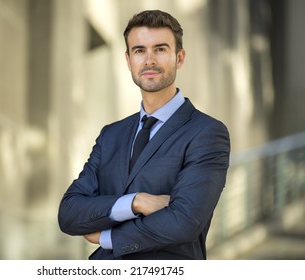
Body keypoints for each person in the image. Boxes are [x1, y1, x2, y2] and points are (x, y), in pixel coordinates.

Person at [58, 10, 230, 260]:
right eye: (139, 51)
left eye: (160, 49)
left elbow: (184, 222)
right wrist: (135, 202)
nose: (149, 60)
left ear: (179, 58)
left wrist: (107, 237)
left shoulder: (206, 133)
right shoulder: (111, 135)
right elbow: (69, 212)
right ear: (129, 61)